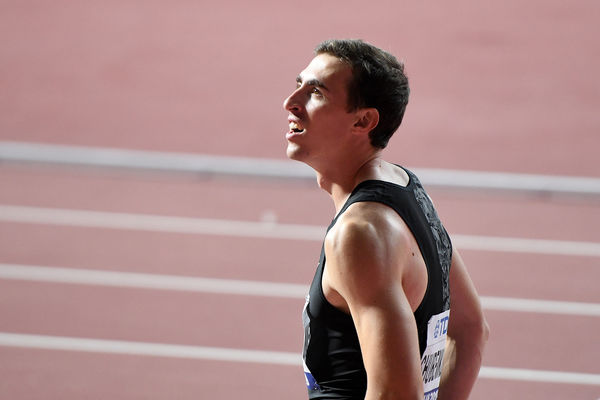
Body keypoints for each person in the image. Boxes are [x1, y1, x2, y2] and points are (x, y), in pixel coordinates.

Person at [283, 39, 489, 400]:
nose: (291, 102)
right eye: (298, 85)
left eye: (316, 93)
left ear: (363, 120)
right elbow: (470, 330)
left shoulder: (359, 234)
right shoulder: (404, 186)